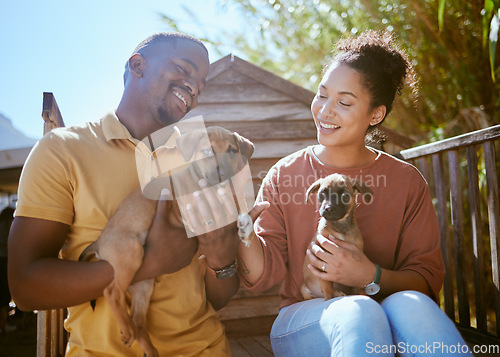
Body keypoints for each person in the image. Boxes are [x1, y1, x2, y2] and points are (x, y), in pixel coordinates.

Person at [8, 32, 265, 356]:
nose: (194, 89)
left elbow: (218, 298)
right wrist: (149, 263)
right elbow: (25, 285)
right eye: (184, 70)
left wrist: (221, 259)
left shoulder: (201, 159)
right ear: (137, 65)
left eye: (201, 85)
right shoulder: (63, 150)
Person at [236, 30, 473, 356]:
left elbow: (425, 280)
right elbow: (260, 277)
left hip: (384, 307)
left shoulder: (406, 181)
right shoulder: (286, 174)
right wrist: (244, 234)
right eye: (321, 95)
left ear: (375, 114)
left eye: (344, 102)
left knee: (413, 304)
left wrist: (368, 274)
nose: (325, 111)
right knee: (359, 311)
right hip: (306, 317)